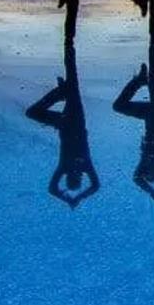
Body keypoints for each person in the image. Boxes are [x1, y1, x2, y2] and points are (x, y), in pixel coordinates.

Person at [25, 42, 100, 208]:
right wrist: (74, 198)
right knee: (72, 81)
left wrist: (74, 198)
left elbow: (54, 188)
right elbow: (94, 186)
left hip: (64, 123)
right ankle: (63, 87)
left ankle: (61, 91)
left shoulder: (72, 166)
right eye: (75, 177)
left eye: (72, 177)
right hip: (73, 121)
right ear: (78, 176)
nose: (74, 175)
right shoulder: (80, 165)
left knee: (33, 112)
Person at [112, 38, 154, 200]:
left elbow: (139, 178)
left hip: (150, 116)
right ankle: (153, 46)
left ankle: (140, 79)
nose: (148, 170)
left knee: (120, 105)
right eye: (151, 173)